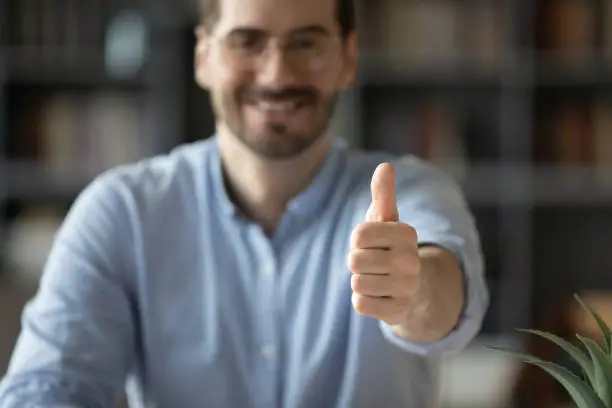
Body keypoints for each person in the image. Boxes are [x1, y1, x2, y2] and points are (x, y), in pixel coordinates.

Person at [0, 0, 489, 406]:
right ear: (203, 56)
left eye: (307, 42)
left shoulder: (412, 191)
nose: (277, 74)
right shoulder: (122, 211)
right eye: (247, 41)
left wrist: (413, 292)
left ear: (348, 59)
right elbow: (49, 384)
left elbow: (445, 298)